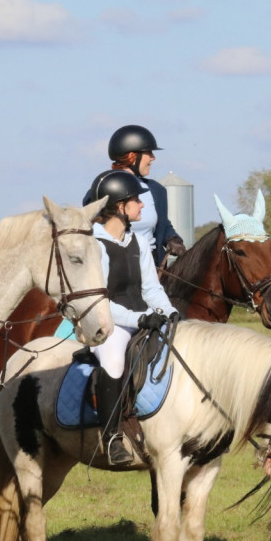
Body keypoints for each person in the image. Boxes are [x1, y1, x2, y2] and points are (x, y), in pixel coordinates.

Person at [85, 169, 177, 466]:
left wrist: (170, 313)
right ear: (119, 207)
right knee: (113, 362)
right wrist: (138, 319)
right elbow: (99, 301)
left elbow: (151, 288)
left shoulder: (137, 241)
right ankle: (111, 438)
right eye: (135, 200)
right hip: (108, 324)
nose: (142, 205)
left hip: (144, 317)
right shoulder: (94, 244)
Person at [85, 125, 185, 267]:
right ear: (133, 156)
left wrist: (172, 237)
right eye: (148, 153)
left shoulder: (156, 190)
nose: (153, 158)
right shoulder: (107, 186)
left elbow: (162, 224)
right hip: (115, 262)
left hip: (151, 263)